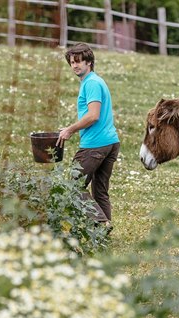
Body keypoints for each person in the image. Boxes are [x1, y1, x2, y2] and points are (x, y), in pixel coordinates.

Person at [57, 43, 120, 229]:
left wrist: (70, 130)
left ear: (89, 62)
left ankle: (102, 222)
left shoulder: (91, 83)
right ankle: (102, 234)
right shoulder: (94, 81)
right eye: (71, 62)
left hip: (95, 145)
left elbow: (93, 115)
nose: (74, 65)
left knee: (73, 186)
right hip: (110, 142)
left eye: (78, 61)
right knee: (100, 191)